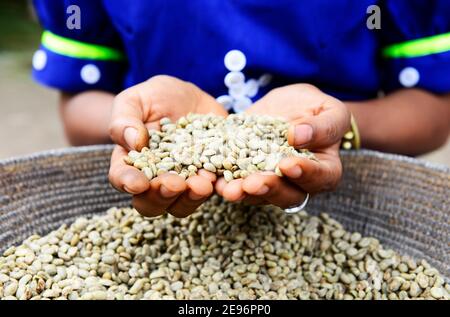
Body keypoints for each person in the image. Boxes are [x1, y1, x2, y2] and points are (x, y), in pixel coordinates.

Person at [32, 1, 450, 217]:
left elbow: (431, 111)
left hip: (345, 203)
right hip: (156, 217)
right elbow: (79, 103)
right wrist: (135, 128)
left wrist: (339, 126)